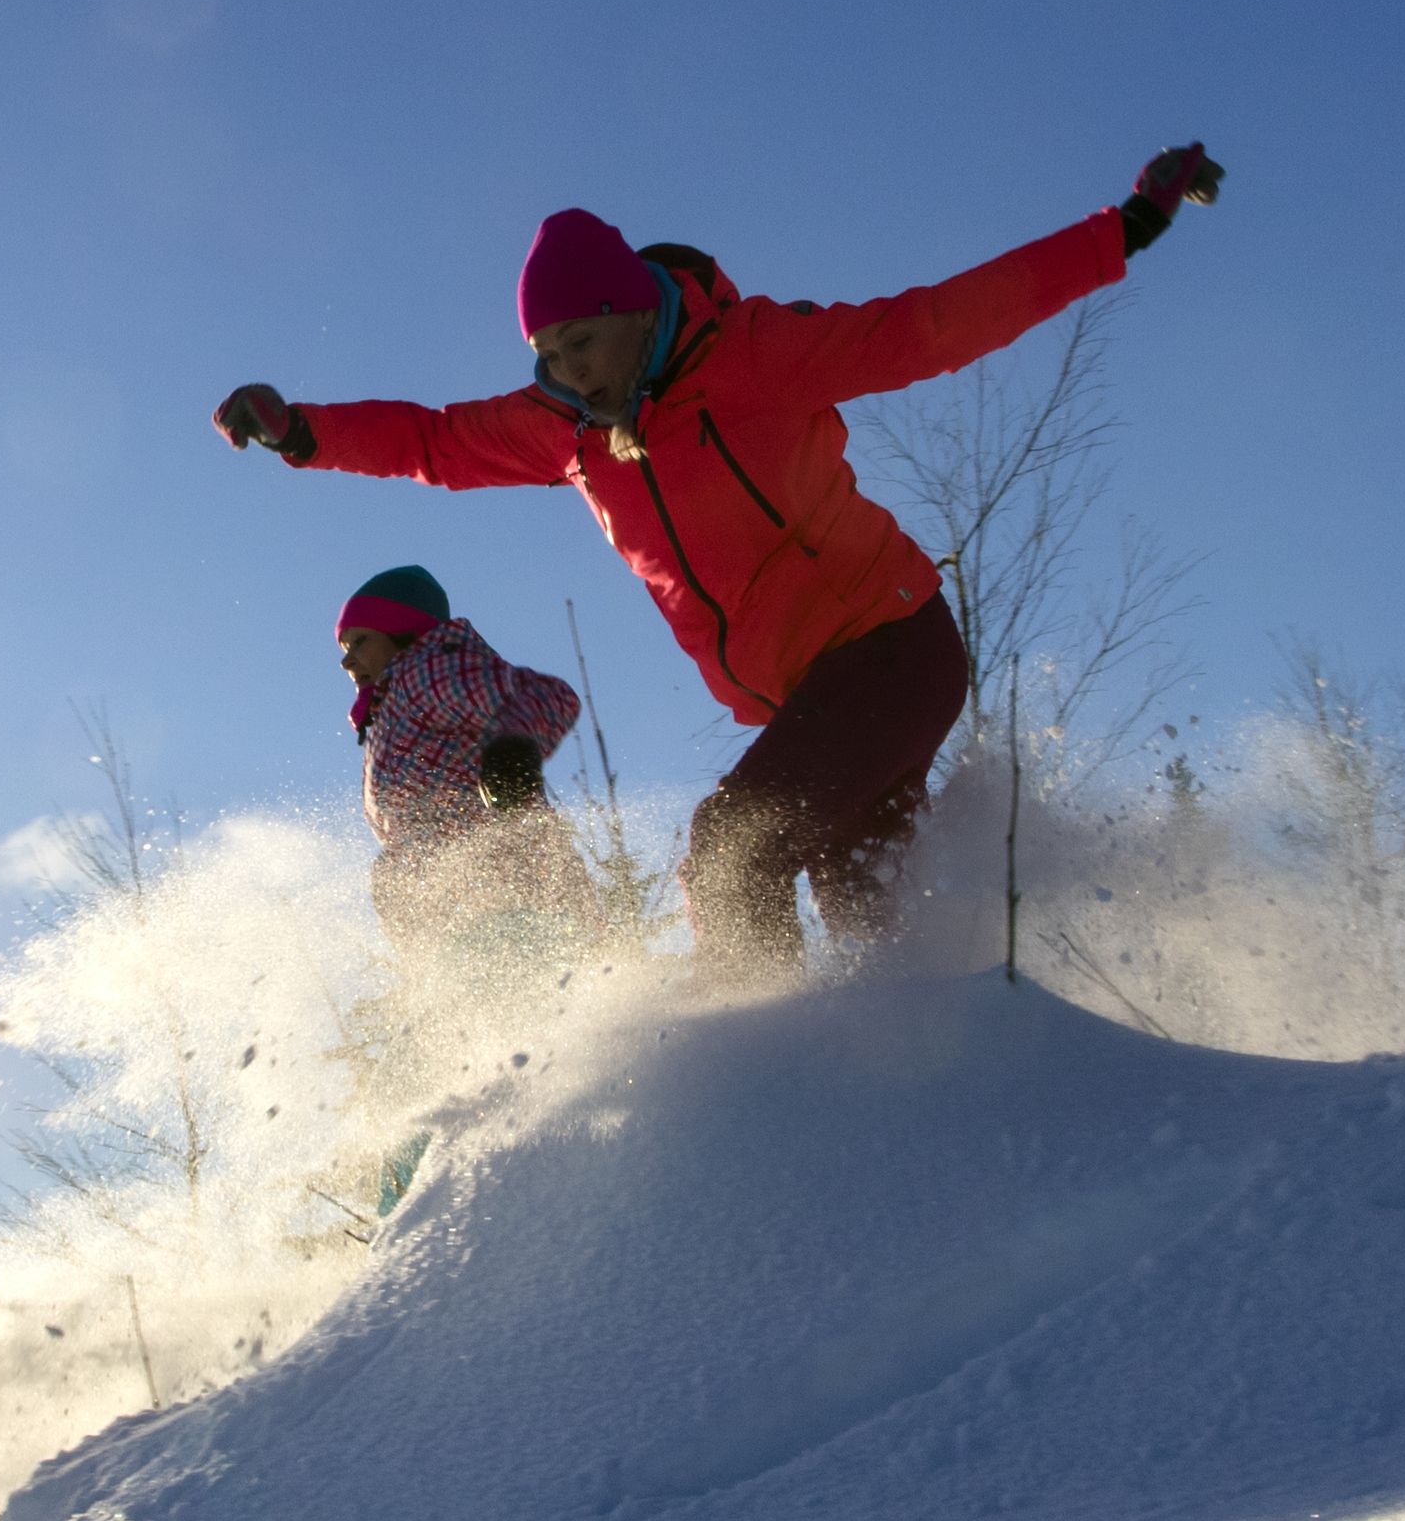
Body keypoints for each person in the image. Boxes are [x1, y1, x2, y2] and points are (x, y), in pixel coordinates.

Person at [217, 146, 1224, 982]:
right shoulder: (561, 430)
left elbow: (935, 326)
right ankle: (969, 1107)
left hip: (892, 648)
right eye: (549, 354)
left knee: (730, 853)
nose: (569, 371)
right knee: (883, 944)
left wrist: (1123, 227)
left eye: (582, 342)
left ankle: (754, 1106)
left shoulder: (754, 355)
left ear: (636, 311)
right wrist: (303, 429)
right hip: (809, 701)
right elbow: (432, 441)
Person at [332, 564, 594, 969]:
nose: (348, 662)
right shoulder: (389, 709)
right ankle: (442, 991)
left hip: (509, 878)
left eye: (360, 641)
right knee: (394, 874)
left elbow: (546, 695)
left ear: (402, 629)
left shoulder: (426, 672)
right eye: (344, 649)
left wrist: (512, 750)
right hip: (457, 908)